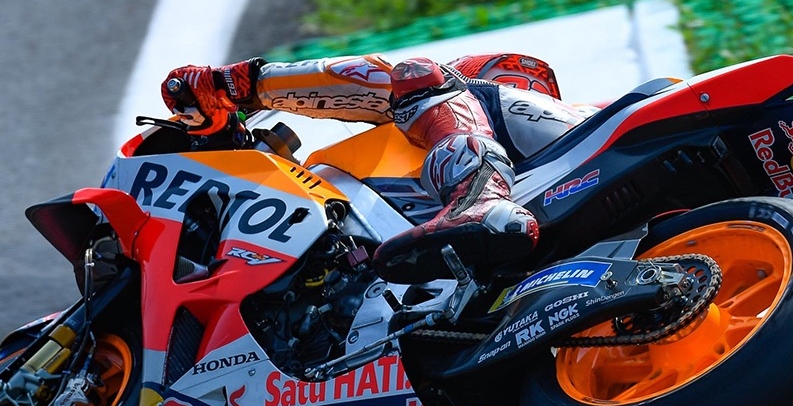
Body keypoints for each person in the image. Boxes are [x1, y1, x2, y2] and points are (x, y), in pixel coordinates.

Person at [161, 53, 586, 284]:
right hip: (544, 255)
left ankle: (479, 198)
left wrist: (235, 84)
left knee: (414, 76)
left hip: (510, 199)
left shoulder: (465, 93)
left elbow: (373, 77)